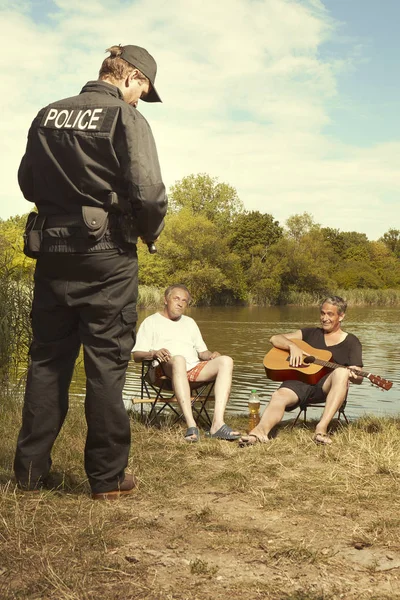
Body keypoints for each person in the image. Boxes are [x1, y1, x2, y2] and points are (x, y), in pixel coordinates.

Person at [14, 44, 167, 500]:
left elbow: (26, 183)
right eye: (143, 88)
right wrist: (149, 232)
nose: (140, 97)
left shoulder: (47, 115)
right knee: (106, 366)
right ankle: (106, 478)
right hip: (107, 258)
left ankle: (28, 473)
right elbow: (149, 192)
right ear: (131, 77)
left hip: (52, 253)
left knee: (46, 362)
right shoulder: (125, 117)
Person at [239, 296, 363, 446]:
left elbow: (358, 378)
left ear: (341, 316)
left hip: (324, 387)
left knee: (342, 372)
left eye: (330, 314)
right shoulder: (310, 333)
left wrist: (354, 374)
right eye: (322, 313)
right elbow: (274, 338)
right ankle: (258, 433)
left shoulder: (351, 342)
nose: (324, 318)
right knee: (279, 395)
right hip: (299, 381)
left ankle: (321, 430)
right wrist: (293, 346)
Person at [132, 285, 240, 442]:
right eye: (176, 299)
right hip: (163, 372)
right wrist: (154, 353)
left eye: (184, 301)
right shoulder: (151, 322)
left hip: (192, 371)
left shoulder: (190, 322)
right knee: (179, 359)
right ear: (165, 300)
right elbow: (136, 355)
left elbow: (202, 352)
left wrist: (212, 355)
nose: (180, 303)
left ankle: (218, 424)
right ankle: (191, 425)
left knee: (226, 361)